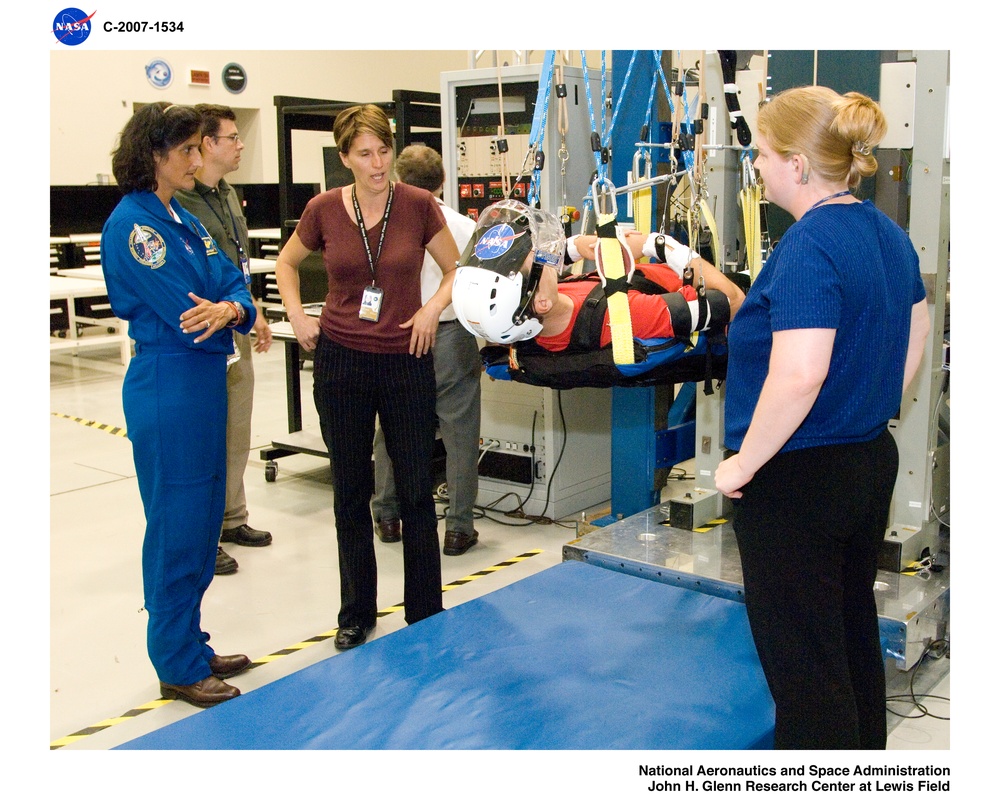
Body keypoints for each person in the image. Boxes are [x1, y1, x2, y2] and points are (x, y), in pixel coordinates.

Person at [713, 86, 931, 749]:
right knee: (848, 630)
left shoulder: (810, 245)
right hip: (865, 461)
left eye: (763, 155)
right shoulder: (887, 233)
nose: (757, 167)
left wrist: (742, 464)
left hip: (795, 478)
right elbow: (916, 331)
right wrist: (865, 397)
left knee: (805, 670)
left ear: (799, 166)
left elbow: (801, 372)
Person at [274, 105, 460, 650]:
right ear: (344, 159)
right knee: (350, 492)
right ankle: (356, 611)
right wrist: (298, 315)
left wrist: (431, 311)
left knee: (415, 491)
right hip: (342, 363)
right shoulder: (323, 210)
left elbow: (456, 268)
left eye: (383, 151)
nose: (378, 164)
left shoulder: (419, 205)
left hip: (406, 360)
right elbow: (287, 264)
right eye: (365, 154)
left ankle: (425, 608)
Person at [100, 102, 258, 707]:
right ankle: (175, 662)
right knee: (176, 525)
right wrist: (227, 314)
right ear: (155, 156)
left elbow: (231, 284)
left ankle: (191, 642)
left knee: (201, 517)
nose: (199, 158)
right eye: (188, 149)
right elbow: (189, 311)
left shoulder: (181, 217)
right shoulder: (136, 227)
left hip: (201, 380)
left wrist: (234, 309)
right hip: (168, 380)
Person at [176, 104, 275, 577]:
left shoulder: (228, 194)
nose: (240, 145)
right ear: (207, 145)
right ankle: (205, 533)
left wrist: (252, 311)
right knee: (208, 439)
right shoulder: (180, 202)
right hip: (203, 336)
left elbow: (238, 262)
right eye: (231, 138)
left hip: (235, 323)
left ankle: (232, 517)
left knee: (237, 430)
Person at [371, 144, 482, 556]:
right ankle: (457, 527)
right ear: (443, 181)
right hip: (451, 334)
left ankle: (386, 514)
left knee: (392, 427)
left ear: (397, 178)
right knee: (460, 433)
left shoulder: (381, 222)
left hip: (397, 333)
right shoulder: (462, 225)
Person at [451, 199, 744, 350]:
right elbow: (732, 301)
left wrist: (577, 247)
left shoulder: (532, 316)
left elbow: (544, 271)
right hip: (714, 288)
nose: (545, 252)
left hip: (653, 279)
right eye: (535, 256)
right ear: (540, 302)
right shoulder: (624, 316)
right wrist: (658, 245)